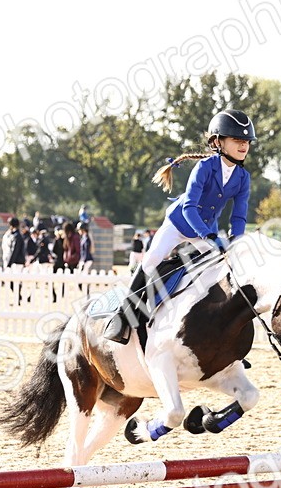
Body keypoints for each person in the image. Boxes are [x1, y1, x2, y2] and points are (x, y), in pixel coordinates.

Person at [104, 108, 256, 344]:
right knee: (151, 260)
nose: (244, 145)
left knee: (223, 269)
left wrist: (237, 241)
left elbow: (239, 216)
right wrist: (208, 236)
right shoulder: (205, 167)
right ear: (218, 142)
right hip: (180, 223)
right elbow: (189, 208)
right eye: (237, 139)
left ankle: (225, 335)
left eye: (246, 141)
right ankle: (122, 318)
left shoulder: (243, 177)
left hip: (206, 230)